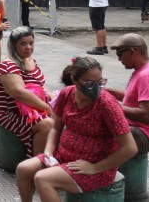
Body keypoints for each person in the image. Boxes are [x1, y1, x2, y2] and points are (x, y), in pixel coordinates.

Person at [15, 57, 136, 202]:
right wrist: (48, 152)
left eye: (100, 82)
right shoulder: (66, 94)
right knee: (23, 169)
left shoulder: (107, 104)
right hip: (64, 156)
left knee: (43, 179)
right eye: (89, 83)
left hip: (93, 165)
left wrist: (95, 168)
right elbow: (55, 128)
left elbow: (130, 148)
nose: (96, 88)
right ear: (75, 80)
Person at [105, 34, 149, 155]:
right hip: (141, 130)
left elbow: (146, 116)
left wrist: (111, 106)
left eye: (119, 54)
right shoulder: (146, 69)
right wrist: (105, 92)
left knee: (93, 131)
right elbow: (133, 96)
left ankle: (97, 170)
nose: (119, 59)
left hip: (147, 134)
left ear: (132, 51)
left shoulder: (147, 76)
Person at [0, 27, 54, 158]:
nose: (28, 47)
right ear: (14, 45)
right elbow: (19, 94)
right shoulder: (7, 66)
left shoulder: (30, 60)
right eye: (23, 43)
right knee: (47, 124)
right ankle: (37, 164)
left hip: (35, 108)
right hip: (12, 113)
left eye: (31, 43)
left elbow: (41, 86)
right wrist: (47, 108)